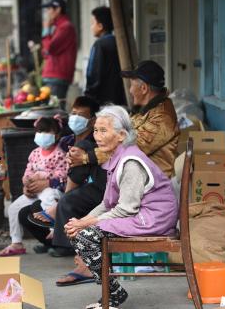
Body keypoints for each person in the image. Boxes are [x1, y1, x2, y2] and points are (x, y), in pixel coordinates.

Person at [65, 105, 178, 308]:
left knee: (85, 236)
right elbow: (107, 204)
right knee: (79, 232)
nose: (97, 136)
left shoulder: (130, 162)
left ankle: (113, 294)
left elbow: (126, 209)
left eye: (103, 131)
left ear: (121, 135)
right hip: (140, 215)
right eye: (96, 130)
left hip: (152, 219)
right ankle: (113, 292)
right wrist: (81, 222)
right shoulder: (116, 158)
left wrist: (86, 224)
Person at [18, 97, 105, 261]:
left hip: (84, 192)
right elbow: (48, 165)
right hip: (59, 190)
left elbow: (78, 177)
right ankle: (54, 241)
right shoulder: (65, 141)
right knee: (26, 214)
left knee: (64, 203)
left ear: (93, 121)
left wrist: (57, 194)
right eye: (73, 113)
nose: (75, 117)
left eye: (81, 115)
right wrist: (31, 184)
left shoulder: (92, 144)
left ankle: (65, 245)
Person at [69, 60, 179, 178]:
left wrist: (87, 157)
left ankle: (68, 192)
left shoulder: (162, 118)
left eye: (132, 85)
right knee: (85, 146)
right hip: (131, 171)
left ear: (144, 88)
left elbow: (130, 148)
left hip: (148, 182)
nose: (130, 90)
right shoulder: (146, 110)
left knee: (86, 154)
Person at [0, 117, 68, 256]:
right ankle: (16, 242)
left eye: (47, 132)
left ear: (57, 134)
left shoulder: (60, 154)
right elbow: (28, 170)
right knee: (14, 208)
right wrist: (27, 182)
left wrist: (42, 177)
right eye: (40, 131)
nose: (43, 135)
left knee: (48, 198)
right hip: (35, 192)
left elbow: (63, 174)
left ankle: (55, 231)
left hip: (52, 190)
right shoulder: (35, 153)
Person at [41, 0, 78, 109]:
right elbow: (46, 52)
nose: (47, 12)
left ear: (58, 9)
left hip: (57, 77)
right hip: (53, 76)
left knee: (54, 112)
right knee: (52, 111)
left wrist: (46, 28)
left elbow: (50, 48)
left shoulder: (65, 27)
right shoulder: (58, 27)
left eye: (49, 9)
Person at [84, 6, 125, 106]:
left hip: (102, 100)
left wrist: (88, 96)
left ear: (100, 26)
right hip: (120, 98)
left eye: (93, 23)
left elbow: (93, 74)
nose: (91, 27)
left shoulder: (99, 44)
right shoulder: (119, 42)